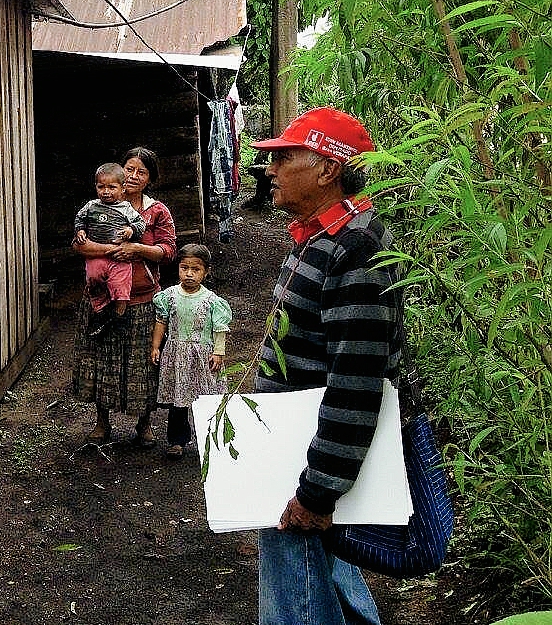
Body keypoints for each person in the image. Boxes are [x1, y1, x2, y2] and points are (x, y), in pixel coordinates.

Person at [250, 107, 404, 625]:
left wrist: (316, 492)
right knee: (329, 578)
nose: (269, 169)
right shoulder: (322, 237)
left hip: (305, 465)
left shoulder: (355, 250)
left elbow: (357, 382)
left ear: (326, 168)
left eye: (284, 157)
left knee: (299, 597)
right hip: (300, 456)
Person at [72, 146, 177, 445]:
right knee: (100, 359)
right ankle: (101, 423)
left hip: (143, 301)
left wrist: (138, 249)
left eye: (141, 172)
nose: (133, 175)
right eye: (129, 168)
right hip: (100, 298)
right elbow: (80, 246)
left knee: (143, 365)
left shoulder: (156, 211)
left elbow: (168, 252)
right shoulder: (97, 206)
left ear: (149, 179)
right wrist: (113, 251)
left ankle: (143, 425)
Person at [150, 243, 231, 458]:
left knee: (208, 397)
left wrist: (219, 352)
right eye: (184, 268)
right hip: (177, 356)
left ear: (206, 272)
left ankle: (213, 438)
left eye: (195, 270)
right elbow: (161, 321)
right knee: (179, 399)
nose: (189, 274)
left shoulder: (213, 301)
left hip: (203, 357)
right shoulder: (169, 296)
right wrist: (156, 346)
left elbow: (219, 329)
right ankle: (177, 441)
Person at [73, 162, 147, 335]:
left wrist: (131, 230)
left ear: (122, 188)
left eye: (111, 187)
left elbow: (140, 224)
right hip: (96, 257)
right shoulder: (91, 206)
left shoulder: (126, 208)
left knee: (121, 287)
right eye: (101, 187)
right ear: (96, 187)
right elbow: (79, 218)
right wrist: (80, 230)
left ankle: (119, 315)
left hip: (120, 258)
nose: (106, 192)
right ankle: (100, 312)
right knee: (93, 278)